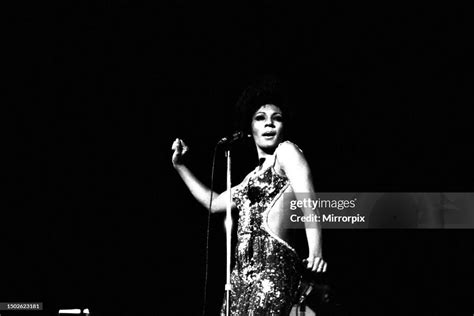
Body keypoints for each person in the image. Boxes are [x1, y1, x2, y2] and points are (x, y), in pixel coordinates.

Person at [171, 76, 327, 315]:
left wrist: (315, 250)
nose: (269, 125)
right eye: (260, 118)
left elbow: (308, 199)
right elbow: (213, 203)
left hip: (272, 273)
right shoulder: (249, 178)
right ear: (249, 128)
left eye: (277, 119)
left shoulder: (286, 153)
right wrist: (180, 166)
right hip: (240, 281)